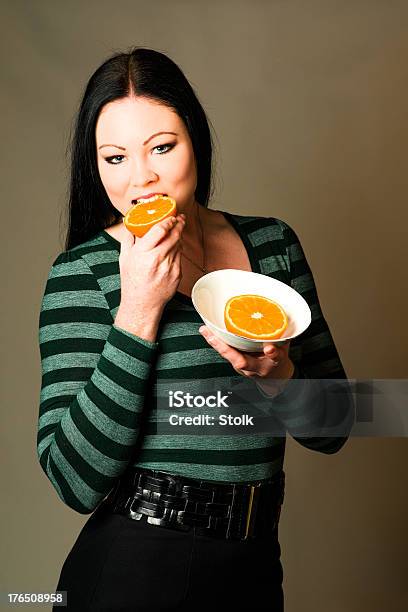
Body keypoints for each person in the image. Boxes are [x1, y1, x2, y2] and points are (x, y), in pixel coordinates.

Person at [37, 47, 354, 611]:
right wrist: (136, 313)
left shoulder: (273, 245)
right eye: (114, 158)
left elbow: (338, 425)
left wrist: (278, 373)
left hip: (255, 566)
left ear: (195, 142)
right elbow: (73, 479)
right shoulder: (82, 272)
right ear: (95, 167)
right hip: (137, 570)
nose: (142, 177)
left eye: (162, 147)